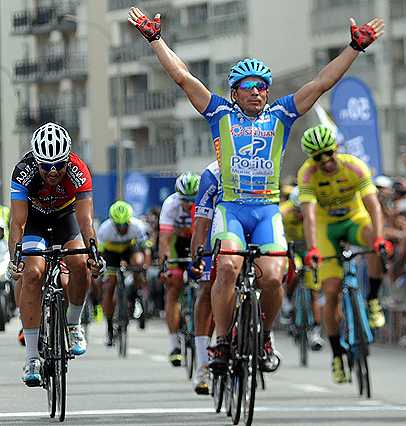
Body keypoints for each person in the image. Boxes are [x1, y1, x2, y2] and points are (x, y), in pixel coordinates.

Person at [127, 6, 385, 374]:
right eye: (248, 87)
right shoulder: (219, 113)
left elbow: (322, 82)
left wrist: (354, 48)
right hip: (231, 209)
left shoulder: (281, 114)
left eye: (262, 86)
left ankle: (264, 335)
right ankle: (221, 342)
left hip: (266, 210)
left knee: (275, 277)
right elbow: (182, 76)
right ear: (234, 92)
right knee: (227, 268)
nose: (257, 92)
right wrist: (156, 40)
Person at [8, 122, 103, 386]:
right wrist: (15, 259)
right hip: (34, 220)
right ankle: (31, 358)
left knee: (80, 262)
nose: (53, 171)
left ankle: (73, 325)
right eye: (46, 166)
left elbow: (85, 221)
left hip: (66, 218)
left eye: (59, 165)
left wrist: (94, 254)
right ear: (35, 160)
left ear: (67, 159)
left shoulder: (78, 170)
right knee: (33, 273)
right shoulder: (23, 171)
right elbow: (18, 223)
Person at [297, 125, 393, 383]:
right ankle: (337, 355)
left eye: (328, 153)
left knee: (374, 240)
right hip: (326, 228)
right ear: (311, 158)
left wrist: (380, 237)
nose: (325, 160)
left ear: (336, 148)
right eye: (318, 157)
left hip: (353, 219)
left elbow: (373, 205)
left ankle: (373, 299)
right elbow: (309, 216)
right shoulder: (307, 174)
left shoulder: (355, 166)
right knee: (331, 292)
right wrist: (312, 248)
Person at [158, 171, 200, 366]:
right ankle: (175, 345)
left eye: (193, 200)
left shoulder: (206, 202)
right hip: (177, 243)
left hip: (198, 241)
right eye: (185, 200)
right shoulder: (170, 204)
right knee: (174, 288)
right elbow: (164, 239)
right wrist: (164, 265)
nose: (189, 204)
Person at [187, 161, 221, 395]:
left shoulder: (261, 163)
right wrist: (197, 260)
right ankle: (202, 364)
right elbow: (200, 226)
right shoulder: (214, 173)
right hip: (213, 229)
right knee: (207, 288)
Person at [97, 200, 151, 346]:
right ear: (113, 222)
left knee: (138, 263)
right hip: (111, 252)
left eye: (124, 224)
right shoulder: (105, 229)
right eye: (118, 224)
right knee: (110, 286)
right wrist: (100, 271)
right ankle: (109, 327)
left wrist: (144, 269)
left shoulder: (137, 226)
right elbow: (99, 254)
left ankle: (135, 294)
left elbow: (145, 249)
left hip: (129, 249)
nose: (122, 227)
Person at [279, 186, 326, 352]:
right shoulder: (283, 212)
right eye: (298, 210)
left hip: (308, 249)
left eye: (304, 210)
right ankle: (288, 299)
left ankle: (316, 331)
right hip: (290, 249)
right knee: (296, 269)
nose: (301, 214)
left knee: (314, 292)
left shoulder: (316, 212)